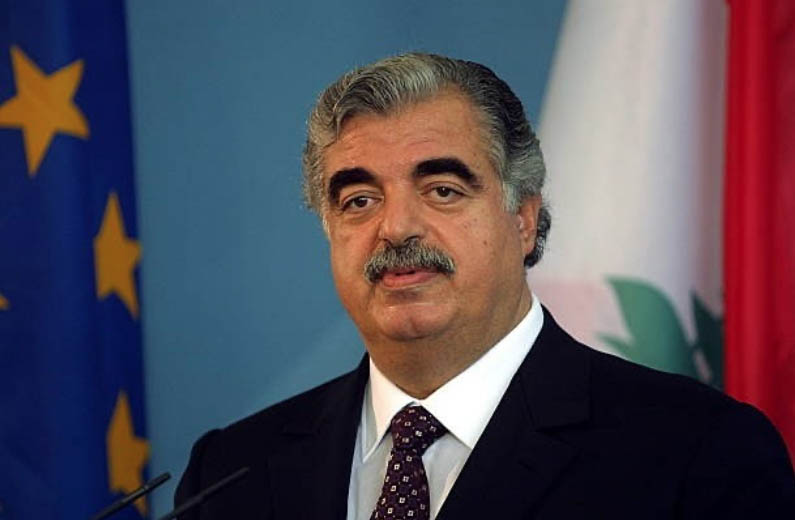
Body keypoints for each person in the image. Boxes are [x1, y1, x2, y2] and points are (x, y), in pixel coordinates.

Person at [175, 53, 794, 519]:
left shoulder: (697, 452)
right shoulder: (231, 471)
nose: (396, 226)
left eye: (442, 190)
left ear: (522, 218)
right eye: (359, 200)